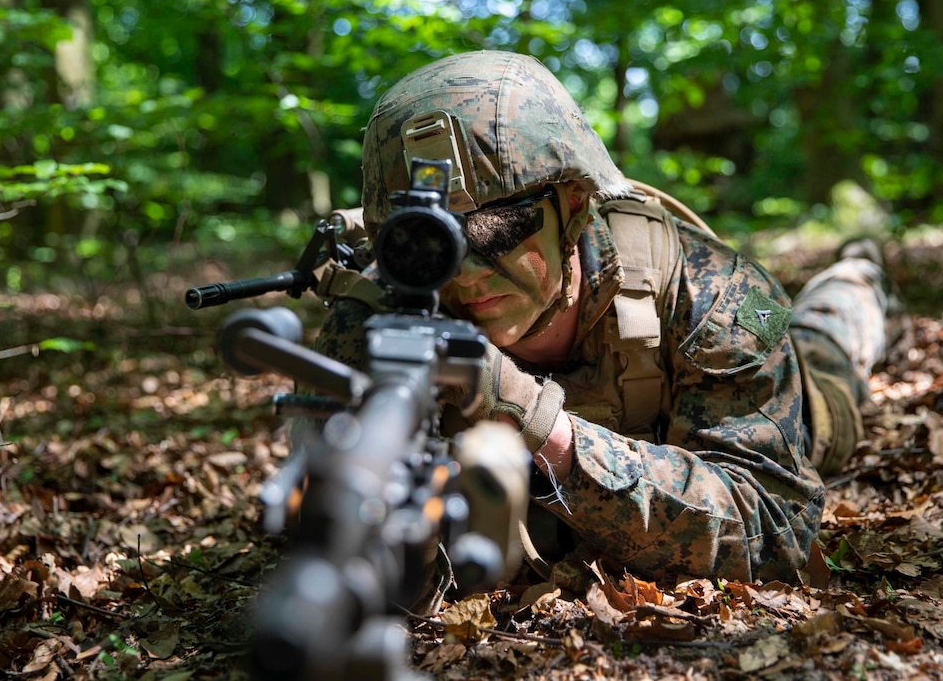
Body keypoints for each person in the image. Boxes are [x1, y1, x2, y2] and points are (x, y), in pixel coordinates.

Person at [312, 50, 896, 591]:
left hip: (810, 400)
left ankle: (858, 272)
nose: (464, 275)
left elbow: (774, 530)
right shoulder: (377, 316)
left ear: (571, 204)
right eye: (427, 243)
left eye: (495, 232)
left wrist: (538, 424)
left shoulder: (717, 291)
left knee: (831, 330)